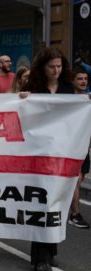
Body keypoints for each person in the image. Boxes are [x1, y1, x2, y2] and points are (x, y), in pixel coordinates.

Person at [21, 47, 76, 271]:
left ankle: (50, 250)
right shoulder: (32, 88)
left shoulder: (67, 89)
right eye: (52, 66)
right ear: (42, 68)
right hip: (38, 152)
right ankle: (40, 258)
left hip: (61, 153)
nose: (56, 70)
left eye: (59, 66)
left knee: (55, 202)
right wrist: (22, 99)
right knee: (41, 202)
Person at [68, 66, 90, 229]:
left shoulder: (88, 99)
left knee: (80, 178)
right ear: (73, 81)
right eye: (79, 78)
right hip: (69, 145)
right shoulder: (66, 99)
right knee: (75, 179)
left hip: (85, 146)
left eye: (85, 79)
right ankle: (75, 214)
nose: (83, 81)